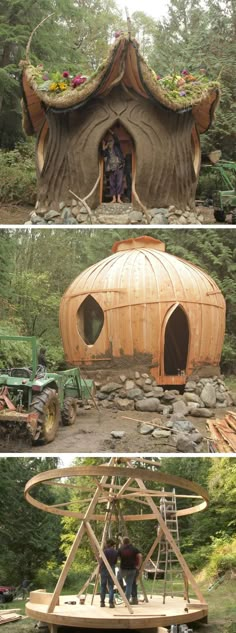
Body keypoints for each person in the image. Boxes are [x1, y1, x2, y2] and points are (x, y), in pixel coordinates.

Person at [117, 536, 142, 603]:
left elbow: (117, 557)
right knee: (129, 585)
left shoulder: (121, 549)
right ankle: (127, 601)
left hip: (123, 569)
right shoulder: (134, 549)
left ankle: (121, 589)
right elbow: (140, 556)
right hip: (132, 569)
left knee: (118, 578)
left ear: (123, 542)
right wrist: (138, 566)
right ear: (129, 541)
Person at [102, 130, 124, 203]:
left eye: (111, 141)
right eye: (108, 141)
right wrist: (103, 148)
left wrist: (112, 132)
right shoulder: (107, 150)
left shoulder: (117, 147)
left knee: (119, 183)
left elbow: (117, 139)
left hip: (119, 167)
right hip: (111, 169)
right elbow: (103, 155)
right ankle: (114, 199)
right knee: (112, 184)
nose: (110, 143)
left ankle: (119, 199)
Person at [99, 538, 118, 608]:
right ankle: (111, 603)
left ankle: (102, 602)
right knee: (111, 587)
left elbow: (102, 561)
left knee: (103, 586)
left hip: (104, 569)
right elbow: (115, 562)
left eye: (107, 543)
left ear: (109, 544)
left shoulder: (105, 551)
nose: (106, 545)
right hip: (112, 568)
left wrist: (99, 569)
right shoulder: (116, 552)